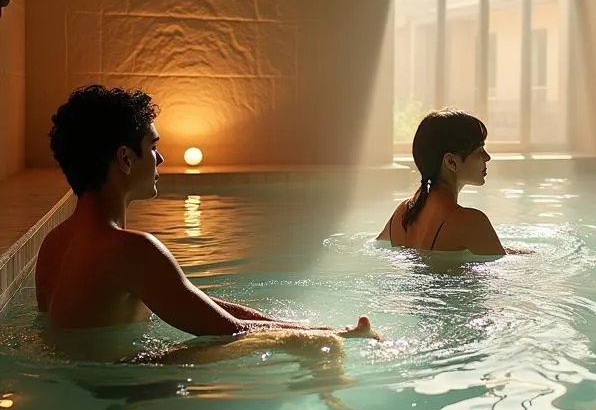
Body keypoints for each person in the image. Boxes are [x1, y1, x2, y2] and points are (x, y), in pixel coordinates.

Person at [35, 85, 380, 344]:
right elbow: (229, 332)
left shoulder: (54, 246)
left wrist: (291, 324)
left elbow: (192, 302)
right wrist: (333, 336)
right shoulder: (132, 250)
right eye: (153, 147)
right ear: (125, 159)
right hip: (128, 395)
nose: (161, 160)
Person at [377, 109, 508, 255]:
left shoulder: (402, 214)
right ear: (451, 162)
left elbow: (379, 248)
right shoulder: (471, 222)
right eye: (479, 149)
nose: (487, 157)